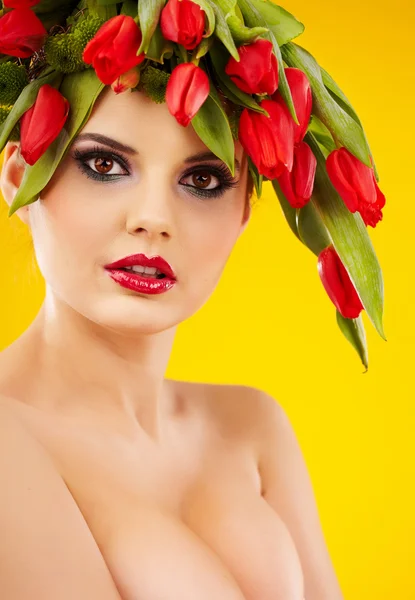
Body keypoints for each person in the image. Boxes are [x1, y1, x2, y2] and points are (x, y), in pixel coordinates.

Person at [0, 1, 385, 599]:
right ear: (19, 176)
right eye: (104, 164)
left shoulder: (252, 426)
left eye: (202, 180)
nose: (153, 220)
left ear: (243, 214)